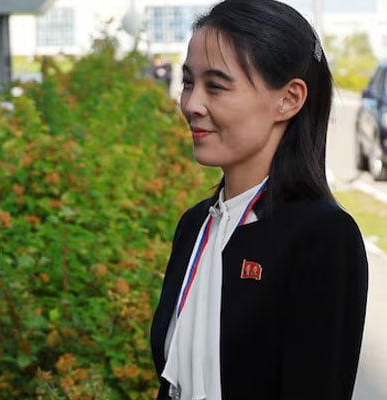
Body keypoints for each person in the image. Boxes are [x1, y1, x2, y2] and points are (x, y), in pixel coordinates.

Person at [149, 1, 369, 400]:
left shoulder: (322, 236)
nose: (192, 104)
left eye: (216, 85)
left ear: (288, 99)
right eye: (188, 83)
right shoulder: (196, 225)